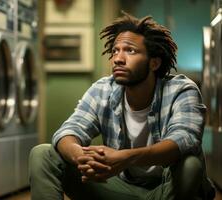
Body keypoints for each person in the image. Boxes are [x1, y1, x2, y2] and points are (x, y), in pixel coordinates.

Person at [29, 11, 215, 200]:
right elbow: (70, 130)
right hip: (120, 189)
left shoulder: (181, 90)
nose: (118, 58)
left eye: (130, 50)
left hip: (167, 190)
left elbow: (182, 141)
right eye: (115, 50)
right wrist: (81, 157)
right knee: (43, 154)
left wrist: (124, 158)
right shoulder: (103, 89)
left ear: (154, 63)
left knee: (191, 165)